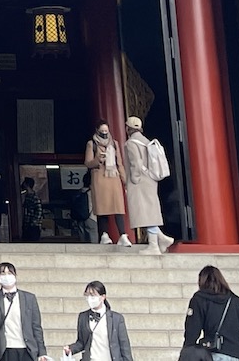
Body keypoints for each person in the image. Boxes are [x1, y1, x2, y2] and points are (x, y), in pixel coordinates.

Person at [182, 265, 239, 361]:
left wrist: (186, 353)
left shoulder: (199, 299)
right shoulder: (235, 301)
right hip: (238, 356)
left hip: (214, 355)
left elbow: (191, 334)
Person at [122, 117, 174, 253]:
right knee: (150, 210)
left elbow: (136, 163)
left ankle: (153, 245)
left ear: (128, 128)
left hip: (140, 181)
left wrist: (134, 179)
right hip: (150, 179)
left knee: (144, 212)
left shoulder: (131, 143)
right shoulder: (146, 141)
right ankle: (161, 239)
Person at [0, 261, 50, 361]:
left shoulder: (29, 298)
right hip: (5, 350)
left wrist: (42, 352)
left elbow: (36, 327)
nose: (6, 276)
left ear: (15, 275)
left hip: (27, 349)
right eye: (3, 273)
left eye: (9, 273)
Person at [62, 280, 132, 361]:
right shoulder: (83, 317)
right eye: (87, 295)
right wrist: (71, 349)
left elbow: (124, 346)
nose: (89, 299)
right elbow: (81, 342)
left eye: (92, 295)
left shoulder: (116, 318)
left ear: (103, 297)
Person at [85, 122, 129, 247]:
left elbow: (119, 163)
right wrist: (98, 159)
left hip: (113, 176)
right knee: (102, 207)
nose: (104, 134)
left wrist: (124, 180)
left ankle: (123, 235)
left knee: (118, 207)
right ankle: (104, 235)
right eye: (102, 131)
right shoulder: (91, 144)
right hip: (99, 177)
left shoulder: (114, 143)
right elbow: (88, 163)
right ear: (97, 131)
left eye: (106, 131)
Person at [69, 173, 96, 244]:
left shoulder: (79, 192)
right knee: (93, 240)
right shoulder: (93, 192)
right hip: (91, 217)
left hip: (79, 218)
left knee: (83, 240)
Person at [19, 177, 42, 243]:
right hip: (27, 224)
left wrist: (33, 222)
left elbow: (39, 211)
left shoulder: (35, 198)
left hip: (33, 226)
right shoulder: (27, 196)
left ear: (27, 185)